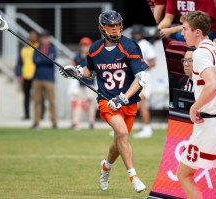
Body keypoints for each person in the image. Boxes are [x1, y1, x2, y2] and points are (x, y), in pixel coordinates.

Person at [59, 10, 147, 193]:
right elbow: (90, 72)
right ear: (102, 28)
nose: (114, 29)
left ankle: (106, 167)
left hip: (128, 102)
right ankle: (134, 177)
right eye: (110, 25)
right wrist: (75, 71)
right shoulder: (95, 49)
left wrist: (123, 98)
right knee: (122, 133)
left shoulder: (130, 46)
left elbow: (140, 79)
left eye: (116, 25)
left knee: (119, 141)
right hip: (106, 101)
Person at [177, 11, 216, 199]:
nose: (182, 33)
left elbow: (213, 85)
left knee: (184, 174)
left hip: (211, 123)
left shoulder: (201, 53)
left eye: (185, 29)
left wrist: (194, 107)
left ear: (197, 32)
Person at [130, 24, 157, 139]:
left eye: (138, 33)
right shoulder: (132, 45)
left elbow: (153, 62)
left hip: (143, 77)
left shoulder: (146, 45)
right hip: (134, 78)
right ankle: (127, 128)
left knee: (142, 102)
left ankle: (147, 128)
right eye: (135, 33)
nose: (136, 35)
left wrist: (140, 68)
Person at [68, 37, 97, 130]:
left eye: (86, 45)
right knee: (78, 103)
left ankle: (91, 123)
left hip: (90, 83)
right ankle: (75, 123)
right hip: (80, 83)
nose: (84, 47)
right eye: (83, 45)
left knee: (90, 103)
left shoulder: (92, 56)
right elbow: (71, 65)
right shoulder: (77, 56)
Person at [31, 30, 58, 129]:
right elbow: (34, 60)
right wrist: (46, 59)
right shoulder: (37, 48)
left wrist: (41, 59)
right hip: (37, 78)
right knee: (37, 101)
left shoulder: (52, 49)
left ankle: (54, 122)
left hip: (49, 79)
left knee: (52, 101)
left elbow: (52, 60)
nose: (44, 39)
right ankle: (36, 121)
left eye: (46, 37)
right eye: (43, 38)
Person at [15, 30, 39, 120]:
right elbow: (19, 62)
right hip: (26, 75)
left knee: (39, 97)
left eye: (34, 35)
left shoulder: (39, 47)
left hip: (37, 75)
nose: (32, 37)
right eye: (31, 35)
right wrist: (19, 74)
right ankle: (27, 114)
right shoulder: (24, 48)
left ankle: (40, 115)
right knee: (26, 96)